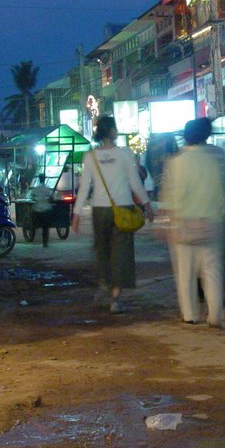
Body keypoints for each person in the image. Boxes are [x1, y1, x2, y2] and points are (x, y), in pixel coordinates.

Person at [72, 115, 154, 314]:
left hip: (99, 210)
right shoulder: (125, 154)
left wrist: (76, 214)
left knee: (102, 251)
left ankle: (103, 284)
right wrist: (147, 204)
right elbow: (135, 183)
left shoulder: (90, 156)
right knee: (121, 254)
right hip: (123, 208)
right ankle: (115, 299)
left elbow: (84, 188)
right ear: (112, 131)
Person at [161, 117, 225, 328]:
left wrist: (168, 223)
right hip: (213, 222)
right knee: (212, 271)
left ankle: (190, 314)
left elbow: (171, 196)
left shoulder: (175, 161)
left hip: (185, 224)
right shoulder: (217, 157)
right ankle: (215, 315)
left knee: (185, 273)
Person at [29, 174, 54, 247]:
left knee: (34, 221)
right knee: (46, 228)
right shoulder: (47, 188)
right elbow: (51, 197)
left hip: (37, 210)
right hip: (46, 209)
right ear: (44, 179)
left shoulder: (36, 188)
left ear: (39, 179)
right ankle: (45, 243)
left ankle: (33, 232)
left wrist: (37, 199)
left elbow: (32, 196)